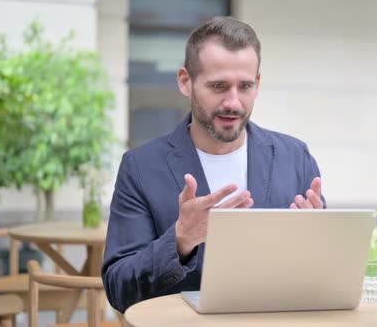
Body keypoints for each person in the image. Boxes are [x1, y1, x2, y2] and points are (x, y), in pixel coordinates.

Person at [102, 16, 325, 313]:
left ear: (257, 84)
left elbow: (322, 276)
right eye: (218, 86)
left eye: (244, 86)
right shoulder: (140, 167)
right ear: (186, 81)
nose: (233, 102)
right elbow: (119, 288)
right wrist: (181, 239)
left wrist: (316, 246)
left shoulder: (294, 157)